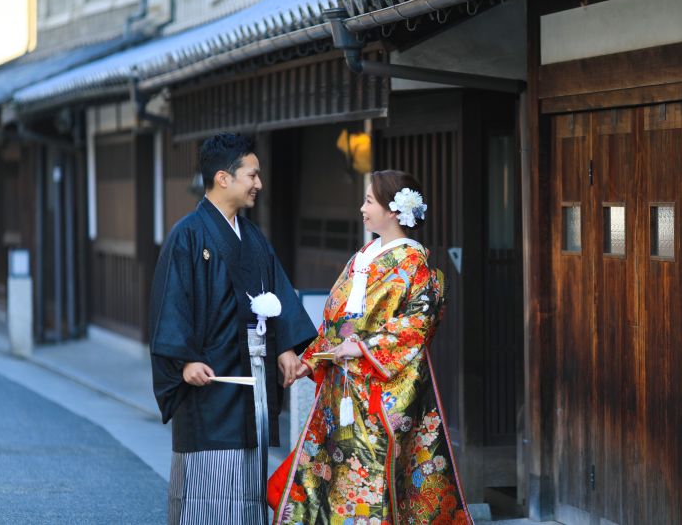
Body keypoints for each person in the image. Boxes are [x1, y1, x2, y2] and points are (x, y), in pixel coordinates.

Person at [270, 170, 472, 525]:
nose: (362, 208)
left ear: (394, 210)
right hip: (342, 392)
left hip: (379, 393)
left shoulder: (415, 263)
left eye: (368, 201)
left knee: (368, 481)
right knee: (329, 478)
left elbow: (417, 325)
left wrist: (363, 348)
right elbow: (336, 321)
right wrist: (311, 360)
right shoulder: (362, 256)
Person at [149, 133, 317, 525]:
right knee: (207, 489)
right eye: (252, 175)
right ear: (223, 178)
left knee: (247, 485)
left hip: (252, 382)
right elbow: (170, 302)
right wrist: (184, 360)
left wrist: (285, 349)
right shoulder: (188, 234)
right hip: (209, 382)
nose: (258, 184)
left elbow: (276, 292)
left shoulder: (253, 238)